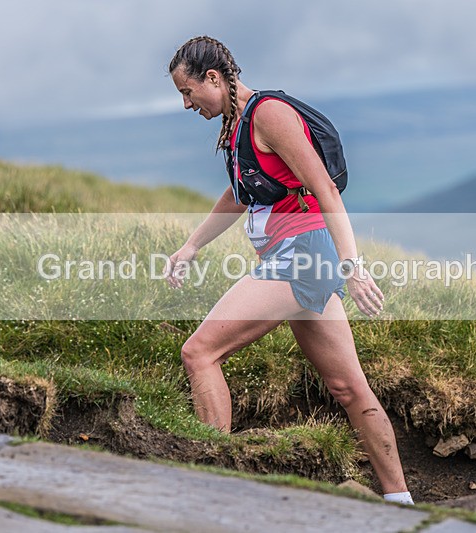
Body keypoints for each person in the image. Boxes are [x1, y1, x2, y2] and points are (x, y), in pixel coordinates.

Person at [164, 35, 413, 506]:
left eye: (188, 92)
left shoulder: (268, 115)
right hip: (300, 258)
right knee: (347, 387)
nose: (185, 103)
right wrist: (191, 246)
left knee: (199, 353)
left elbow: (325, 189)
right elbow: (241, 194)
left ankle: (209, 493)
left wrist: (353, 268)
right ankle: (401, 504)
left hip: (302, 255)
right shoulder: (237, 125)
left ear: (213, 79)